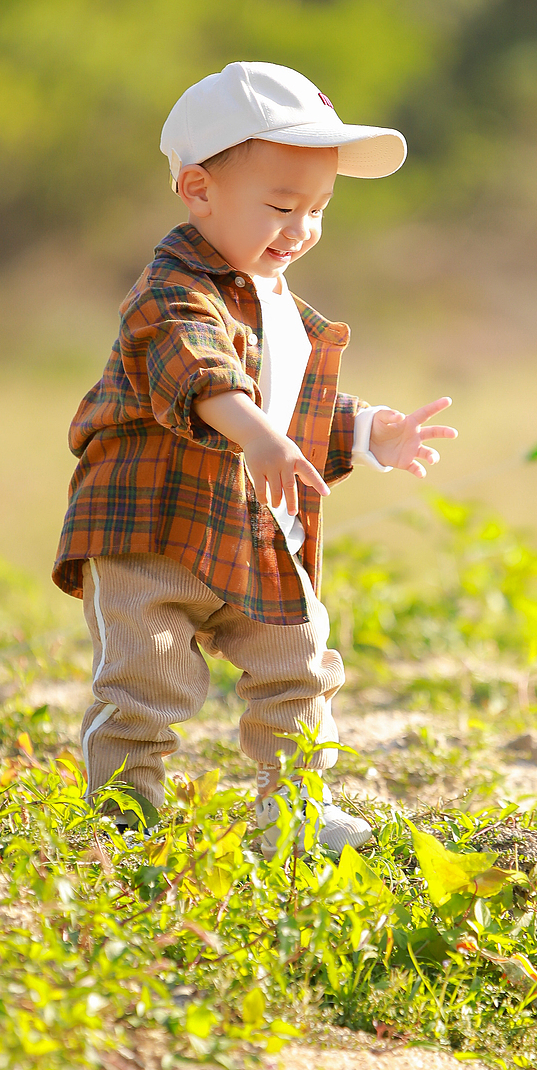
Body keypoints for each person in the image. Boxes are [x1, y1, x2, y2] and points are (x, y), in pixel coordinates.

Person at [53, 60, 457, 854]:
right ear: (198, 189)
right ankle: (123, 815)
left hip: (248, 527)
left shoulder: (280, 303)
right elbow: (201, 371)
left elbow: (291, 403)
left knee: (298, 665)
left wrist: (370, 431)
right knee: (145, 680)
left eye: (318, 210)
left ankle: (294, 810)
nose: (301, 229)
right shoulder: (172, 290)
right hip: (151, 533)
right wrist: (260, 436)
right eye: (281, 207)